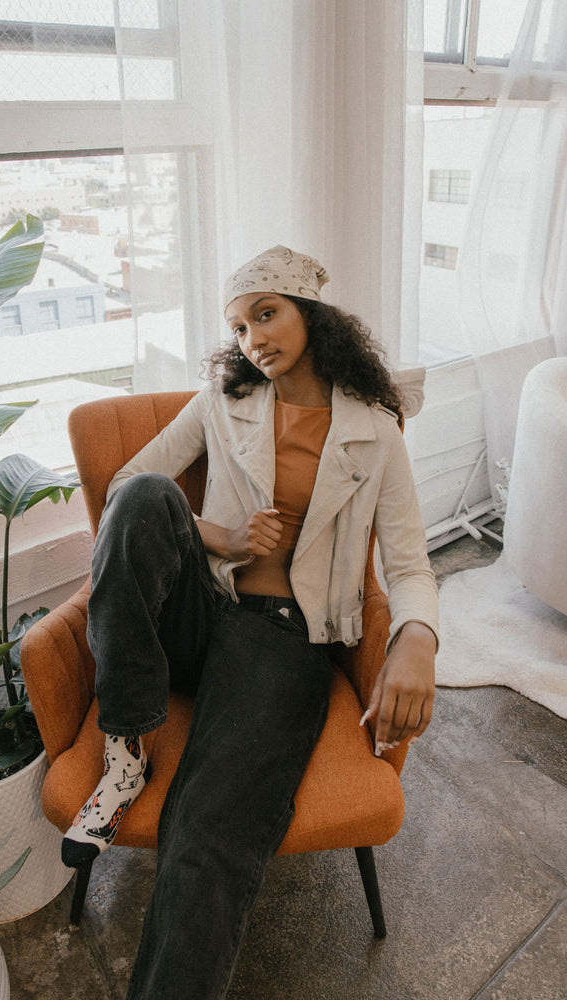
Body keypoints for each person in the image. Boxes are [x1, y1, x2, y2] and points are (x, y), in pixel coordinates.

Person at [61, 245, 439, 999]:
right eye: (237, 326)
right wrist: (225, 538)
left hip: (284, 638)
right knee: (141, 502)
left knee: (207, 837)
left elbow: (407, 563)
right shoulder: (221, 404)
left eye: (265, 314)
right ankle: (126, 746)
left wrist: (416, 638)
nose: (251, 338)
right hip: (203, 609)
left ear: (311, 315)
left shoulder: (376, 431)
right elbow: (130, 485)